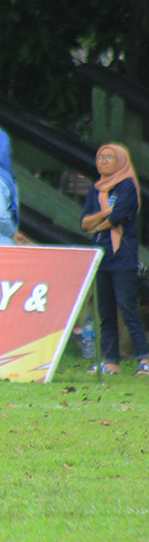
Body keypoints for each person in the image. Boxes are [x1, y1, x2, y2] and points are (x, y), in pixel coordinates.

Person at [81, 143, 149, 375]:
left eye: (109, 157)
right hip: (102, 255)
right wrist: (105, 214)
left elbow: (120, 215)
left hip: (123, 258)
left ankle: (144, 360)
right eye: (100, 157)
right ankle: (111, 361)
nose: (104, 161)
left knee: (127, 308)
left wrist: (97, 222)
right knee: (106, 311)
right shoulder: (95, 190)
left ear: (120, 160)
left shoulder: (127, 186)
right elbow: (84, 223)